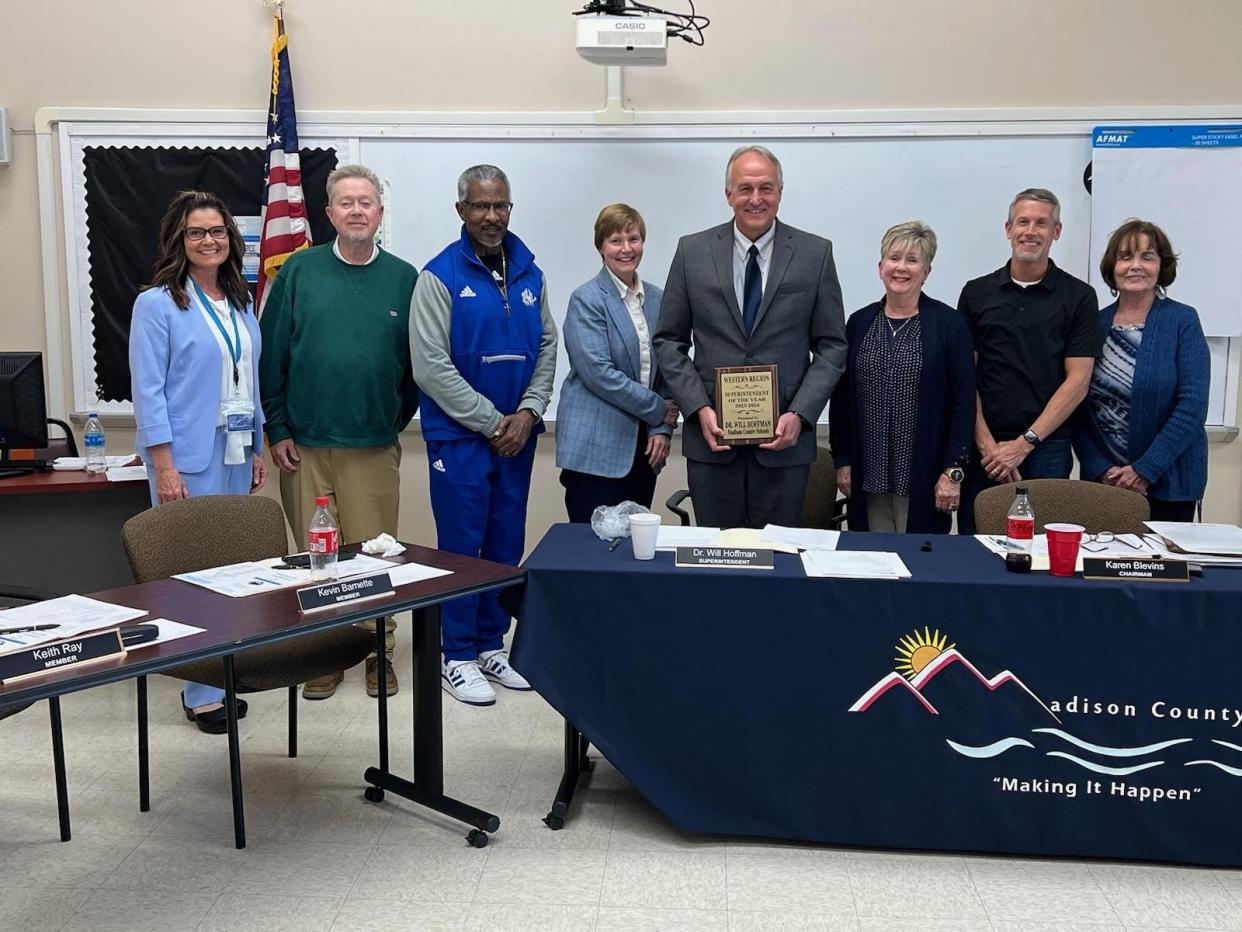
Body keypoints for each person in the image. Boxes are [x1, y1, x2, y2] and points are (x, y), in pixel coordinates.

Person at [259, 164, 419, 701]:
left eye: (366, 202)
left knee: (377, 555)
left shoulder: (404, 277)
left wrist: (386, 420)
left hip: (372, 445)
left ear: (379, 213)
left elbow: (414, 368)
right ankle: (322, 654)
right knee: (315, 557)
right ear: (328, 214)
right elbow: (272, 355)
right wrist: (278, 426)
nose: (356, 210)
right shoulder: (300, 272)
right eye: (345, 202)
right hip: (303, 446)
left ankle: (379, 652)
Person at [410, 165, 557, 707]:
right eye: (480, 206)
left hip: (516, 435)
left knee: (503, 542)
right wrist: (493, 421)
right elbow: (430, 366)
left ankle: (492, 643)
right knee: (461, 546)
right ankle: (457, 655)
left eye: (500, 206)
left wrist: (529, 411)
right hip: (461, 438)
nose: (491, 216)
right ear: (461, 211)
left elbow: (547, 346)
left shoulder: (529, 272)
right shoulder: (439, 276)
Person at [130, 190, 267, 734]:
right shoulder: (158, 303)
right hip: (185, 457)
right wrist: (162, 465)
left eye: (217, 232)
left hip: (235, 450)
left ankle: (225, 668)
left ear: (231, 240)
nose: (208, 241)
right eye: (196, 232)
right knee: (189, 574)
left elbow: (248, 380)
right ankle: (200, 690)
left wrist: (257, 446)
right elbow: (148, 389)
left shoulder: (239, 299)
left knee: (232, 570)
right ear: (178, 241)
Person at [653, 145, 846, 528]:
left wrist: (801, 414)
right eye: (745, 188)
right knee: (717, 565)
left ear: (780, 191)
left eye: (766, 188)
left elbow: (832, 346)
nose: (755, 199)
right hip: (713, 442)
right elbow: (668, 342)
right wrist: (698, 408)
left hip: (784, 445)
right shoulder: (692, 251)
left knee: (776, 566)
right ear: (728, 194)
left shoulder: (814, 253)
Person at [956, 188, 1102, 534]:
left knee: (1042, 556)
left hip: (1046, 449)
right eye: (1023, 222)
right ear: (1008, 229)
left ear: (1057, 231)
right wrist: (990, 447)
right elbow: (964, 378)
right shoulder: (976, 293)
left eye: (1042, 223)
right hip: (983, 450)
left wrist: (1023, 445)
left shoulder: (1079, 297)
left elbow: (1078, 381)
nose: (1031, 231)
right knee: (976, 550)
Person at [829, 221, 975, 533]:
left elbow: (963, 404)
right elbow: (841, 399)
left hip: (926, 475)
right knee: (872, 563)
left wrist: (953, 472)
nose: (901, 268)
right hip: (867, 474)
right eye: (894, 258)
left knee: (919, 566)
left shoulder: (950, 326)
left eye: (912, 260)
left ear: (927, 271)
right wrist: (842, 460)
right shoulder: (859, 323)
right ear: (880, 266)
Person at [1074, 220, 1209, 522]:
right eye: (1125, 257)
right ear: (1113, 266)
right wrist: (1100, 468)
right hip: (1104, 484)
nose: (1136, 266)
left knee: (1163, 568)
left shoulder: (1182, 320)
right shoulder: (1093, 325)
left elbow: (1192, 406)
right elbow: (1076, 406)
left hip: (1168, 484)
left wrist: (1144, 469)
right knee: (1100, 568)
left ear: (1162, 266)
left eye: (1147, 257)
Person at [556, 204, 678, 522]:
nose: (626, 249)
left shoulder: (659, 299)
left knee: (634, 553)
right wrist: (657, 409)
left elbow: (668, 367)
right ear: (601, 247)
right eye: (616, 240)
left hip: (645, 450)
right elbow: (599, 374)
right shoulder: (586, 299)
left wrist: (662, 428)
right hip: (597, 451)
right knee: (593, 554)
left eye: (634, 239)